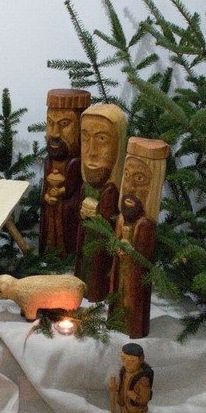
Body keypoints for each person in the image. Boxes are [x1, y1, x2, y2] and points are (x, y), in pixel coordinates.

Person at [74, 103, 127, 302]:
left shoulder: (112, 190)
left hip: (101, 250)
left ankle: (96, 292)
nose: (91, 151)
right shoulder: (85, 185)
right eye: (85, 137)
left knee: (97, 270)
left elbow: (111, 220)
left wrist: (98, 212)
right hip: (86, 242)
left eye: (102, 139)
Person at [39, 89, 91, 259]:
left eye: (64, 124)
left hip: (69, 219)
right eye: (50, 123)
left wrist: (61, 193)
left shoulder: (77, 163)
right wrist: (47, 198)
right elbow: (45, 189)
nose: (55, 133)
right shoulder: (49, 160)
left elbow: (72, 190)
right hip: (51, 214)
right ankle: (50, 254)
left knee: (68, 241)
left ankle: (66, 257)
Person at [112, 156, 157, 338]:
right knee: (119, 296)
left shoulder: (145, 225)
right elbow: (114, 242)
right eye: (126, 176)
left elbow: (143, 257)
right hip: (121, 271)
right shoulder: (121, 218)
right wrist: (118, 247)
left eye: (139, 179)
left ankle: (133, 327)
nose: (129, 187)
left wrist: (129, 249)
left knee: (132, 299)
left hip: (134, 277)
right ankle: (116, 320)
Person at [114, 342, 152, 413]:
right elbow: (123, 385)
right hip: (124, 405)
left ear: (141, 360)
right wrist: (116, 388)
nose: (126, 364)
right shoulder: (124, 372)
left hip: (136, 410)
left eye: (132, 361)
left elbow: (145, 398)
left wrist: (134, 397)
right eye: (124, 359)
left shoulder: (143, 380)